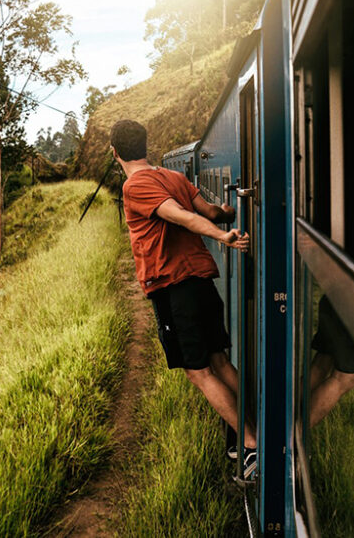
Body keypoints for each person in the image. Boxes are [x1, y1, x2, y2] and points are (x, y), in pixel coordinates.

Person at [109, 119, 257, 481]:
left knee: (198, 371)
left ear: (115, 153)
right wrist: (228, 214)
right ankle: (258, 425)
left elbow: (184, 217)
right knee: (219, 361)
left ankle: (253, 447)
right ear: (146, 144)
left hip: (174, 287)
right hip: (200, 280)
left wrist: (222, 239)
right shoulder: (172, 178)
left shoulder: (134, 185)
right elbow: (209, 211)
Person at [308, 296, 354, 427]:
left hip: (336, 297)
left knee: (320, 368)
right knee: (345, 378)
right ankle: (292, 436)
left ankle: (277, 412)